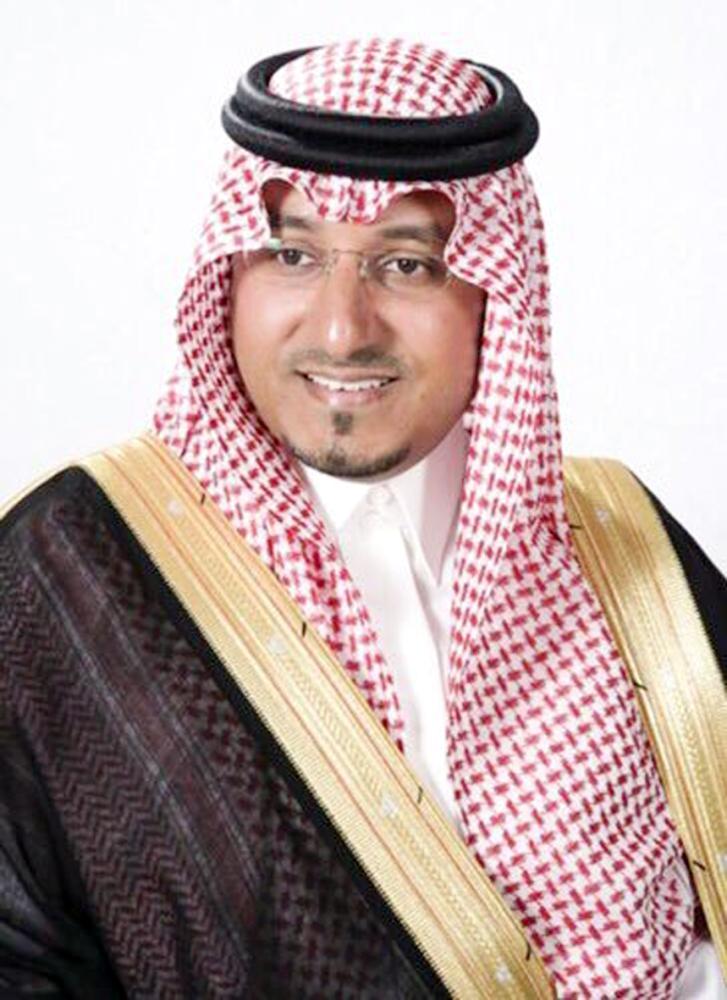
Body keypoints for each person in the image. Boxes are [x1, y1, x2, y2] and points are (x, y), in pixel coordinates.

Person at [0, 38, 725, 999]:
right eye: (291, 255)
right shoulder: (69, 575)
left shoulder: (621, 544)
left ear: (494, 292)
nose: (342, 328)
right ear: (229, 274)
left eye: (407, 264)